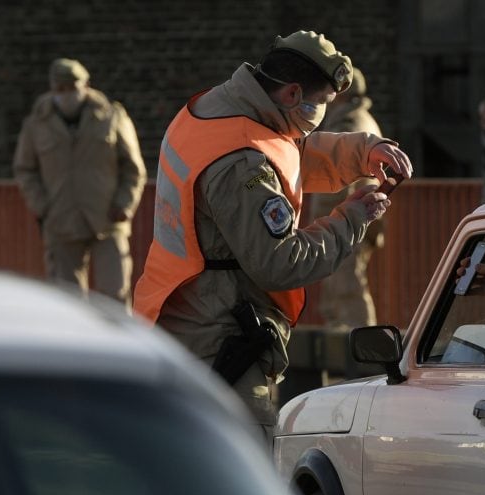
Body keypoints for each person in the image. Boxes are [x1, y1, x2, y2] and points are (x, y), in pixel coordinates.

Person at [132, 30, 413, 446]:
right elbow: (282, 262)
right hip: (221, 340)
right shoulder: (240, 164)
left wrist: (362, 153)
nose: (319, 114)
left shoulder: (217, 111)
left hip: (183, 317)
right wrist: (353, 217)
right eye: (320, 103)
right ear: (292, 93)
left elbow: (283, 152)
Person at [13, 58, 147, 307]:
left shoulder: (111, 116)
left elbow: (133, 167)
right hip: (60, 220)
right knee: (67, 303)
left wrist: (124, 203)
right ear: (53, 89)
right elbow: (25, 169)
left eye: (72, 87)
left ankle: (117, 347)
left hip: (108, 218)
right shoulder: (37, 124)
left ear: (85, 85)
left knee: (114, 297)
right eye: (60, 89)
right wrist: (42, 206)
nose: (67, 95)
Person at [310, 67, 384, 328]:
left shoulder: (347, 124)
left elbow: (338, 181)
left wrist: (327, 222)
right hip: (357, 217)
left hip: (344, 220)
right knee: (339, 291)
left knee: (346, 290)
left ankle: (360, 355)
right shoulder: (363, 120)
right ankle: (346, 353)